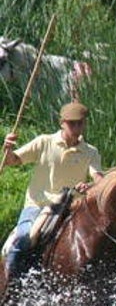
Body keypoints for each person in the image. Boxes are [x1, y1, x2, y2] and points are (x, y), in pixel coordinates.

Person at [1, 102, 103, 289]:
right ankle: (10, 284)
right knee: (24, 237)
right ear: (62, 123)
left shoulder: (90, 151)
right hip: (39, 204)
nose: (76, 128)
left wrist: (88, 185)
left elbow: (99, 179)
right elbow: (13, 160)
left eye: (80, 123)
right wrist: (7, 147)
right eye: (72, 123)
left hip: (71, 206)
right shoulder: (44, 142)